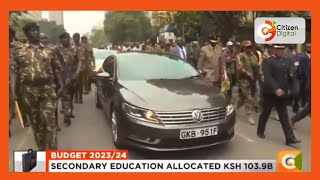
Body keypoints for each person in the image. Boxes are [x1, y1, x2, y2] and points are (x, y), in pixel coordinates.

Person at [11, 22, 64, 150]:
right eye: (32, 30)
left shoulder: (49, 51)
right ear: (27, 33)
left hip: (47, 89)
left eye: (36, 30)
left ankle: (52, 151)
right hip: (28, 91)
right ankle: (41, 149)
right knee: (36, 124)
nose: (35, 33)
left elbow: (57, 69)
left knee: (49, 122)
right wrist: (13, 91)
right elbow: (14, 72)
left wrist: (61, 85)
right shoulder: (18, 52)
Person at [257, 44, 301, 146]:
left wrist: (292, 85)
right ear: (273, 50)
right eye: (277, 49)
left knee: (284, 116)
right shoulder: (268, 61)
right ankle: (260, 131)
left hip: (283, 93)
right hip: (270, 93)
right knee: (266, 112)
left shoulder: (286, 60)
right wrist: (275, 88)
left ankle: (290, 138)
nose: (280, 51)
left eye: (281, 49)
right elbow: (268, 77)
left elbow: (291, 74)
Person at [55, 32, 82, 126]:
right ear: (60, 40)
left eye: (66, 38)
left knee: (71, 95)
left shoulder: (75, 49)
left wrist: (77, 72)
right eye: (62, 38)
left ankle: (69, 108)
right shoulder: (57, 49)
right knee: (65, 95)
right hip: (62, 76)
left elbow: (79, 61)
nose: (64, 40)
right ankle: (67, 116)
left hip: (73, 75)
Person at [236, 40, 257, 125]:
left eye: (250, 47)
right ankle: (249, 116)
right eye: (247, 47)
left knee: (243, 98)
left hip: (252, 79)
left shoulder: (253, 56)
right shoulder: (240, 56)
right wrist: (248, 74)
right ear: (243, 47)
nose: (249, 48)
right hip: (243, 80)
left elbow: (257, 66)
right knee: (248, 98)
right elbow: (239, 68)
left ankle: (235, 107)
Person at [291, 43, 311, 126]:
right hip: (301, 78)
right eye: (308, 47)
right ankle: (293, 118)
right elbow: (296, 64)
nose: (309, 48)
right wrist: (297, 71)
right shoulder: (300, 56)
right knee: (298, 94)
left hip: (307, 80)